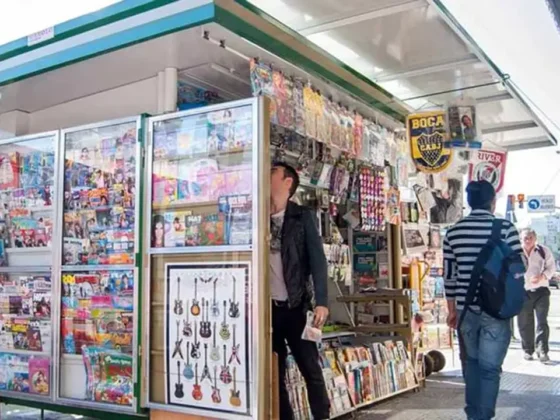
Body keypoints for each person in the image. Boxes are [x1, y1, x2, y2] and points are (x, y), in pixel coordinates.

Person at [444, 180, 523, 420]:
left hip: (465, 309)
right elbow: (520, 267)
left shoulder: (453, 233)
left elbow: (449, 276)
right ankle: (483, 416)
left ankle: (473, 415)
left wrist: (452, 310)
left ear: (469, 202)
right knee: (490, 369)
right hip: (497, 308)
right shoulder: (506, 228)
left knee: (472, 364)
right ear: (492, 202)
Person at [270, 162, 330, 420]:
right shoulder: (257, 216)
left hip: (297, 307)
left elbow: (318, 261)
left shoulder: (302, 216)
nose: (265, 175)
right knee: (275, 372)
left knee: (310, 370)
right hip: (268, 311)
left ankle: (321, 416)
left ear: (287, 183)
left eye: (272, 173)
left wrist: (322, 301)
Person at [517, 228, 555, 362]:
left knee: (542, 322)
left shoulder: (543, 251)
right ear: (521, 239)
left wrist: (542, 277)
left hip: (541, 290)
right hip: (523, 291)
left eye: (530, 238)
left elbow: (551, 267)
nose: (528, 240)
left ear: (535, 238)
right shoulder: (516, 252)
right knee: (524, 322)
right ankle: (528, 350)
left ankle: (542, 350)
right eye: (525, 238)